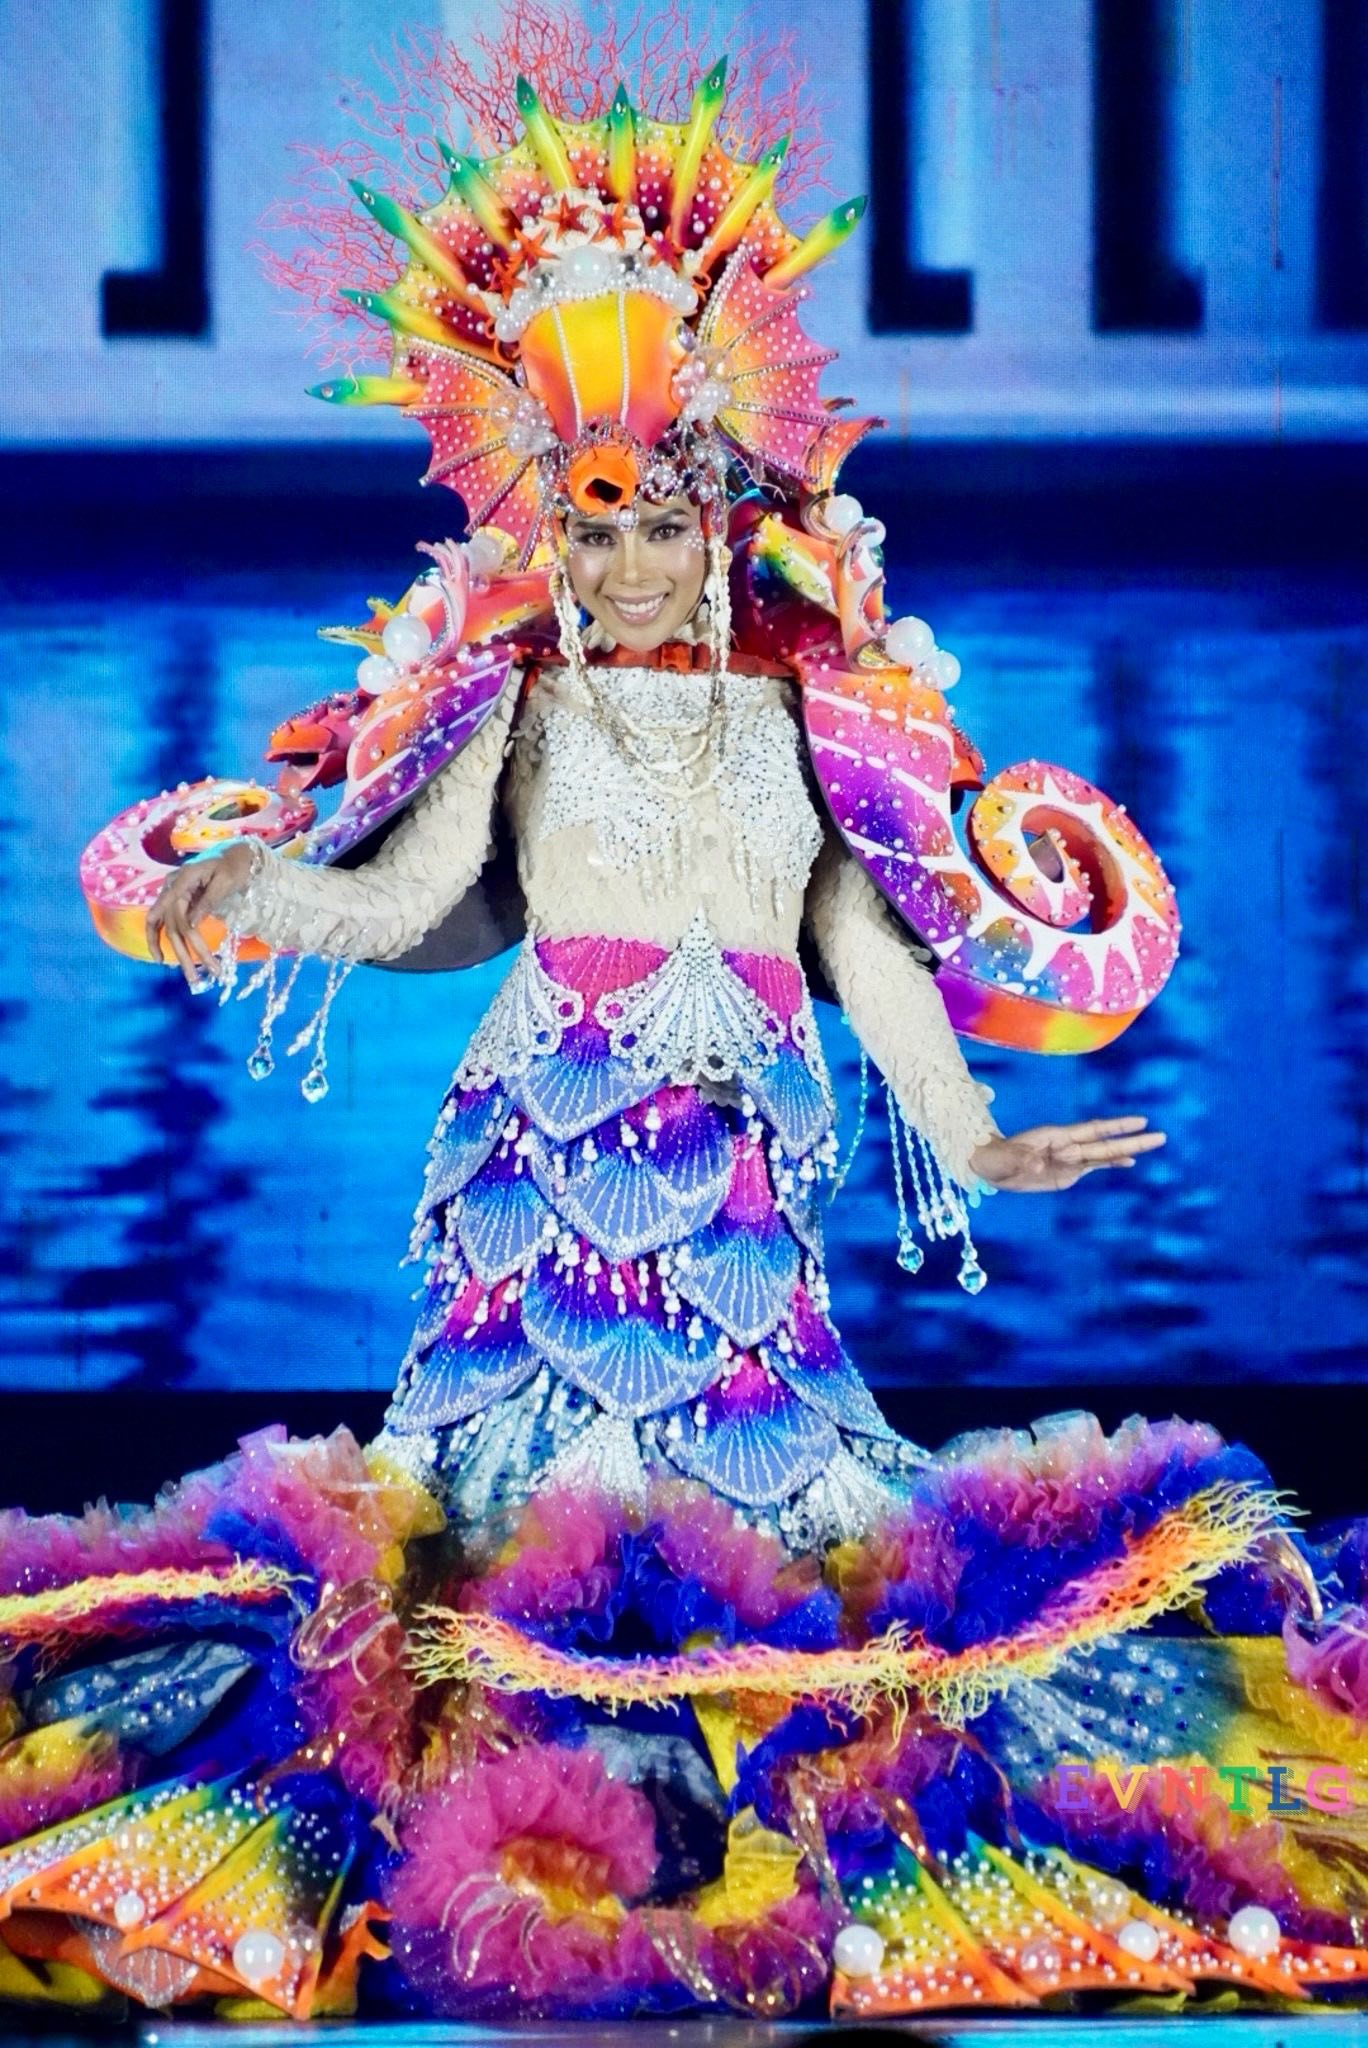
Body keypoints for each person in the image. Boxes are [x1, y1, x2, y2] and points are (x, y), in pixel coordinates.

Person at [10, 31, 1368, 2025]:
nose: (631, 558)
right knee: (479, 1565)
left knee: (813, 1569)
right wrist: (248, 892)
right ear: (551, 535)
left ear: (725, 521)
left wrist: (974, 1138)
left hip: (729, 1218)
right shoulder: (520, 713)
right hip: (535, 1188)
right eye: (594, 523)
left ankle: (735, 1802)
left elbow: (872, 957)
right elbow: (391, 909)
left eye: (663, 523)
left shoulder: (817, 728)